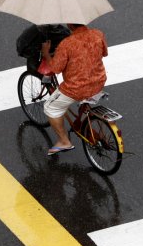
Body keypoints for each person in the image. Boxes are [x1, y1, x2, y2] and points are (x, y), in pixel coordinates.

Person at [40, 23, 108, 156]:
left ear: (70, 24)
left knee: (50, 107)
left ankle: (64, 141)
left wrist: (46, 53)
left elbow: (55, 68)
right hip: (98, 82)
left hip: (75, 89)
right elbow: (104, 53)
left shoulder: (67, 44)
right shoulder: (98, 34)